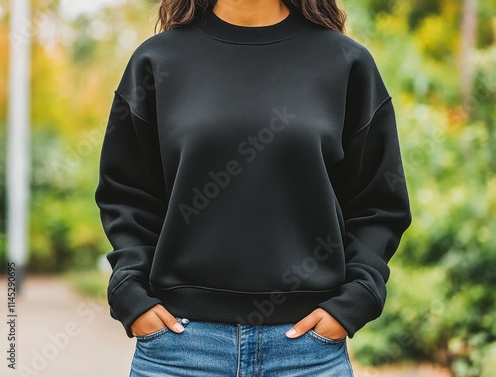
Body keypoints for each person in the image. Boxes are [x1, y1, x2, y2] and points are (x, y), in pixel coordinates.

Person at [95, 0, 412, 375]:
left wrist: (354, 302)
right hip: (180, 350)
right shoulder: (156, 62)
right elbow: (126, 194)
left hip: (307, 355)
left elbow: (380, 204)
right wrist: (131, 296)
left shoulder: (346, 63)